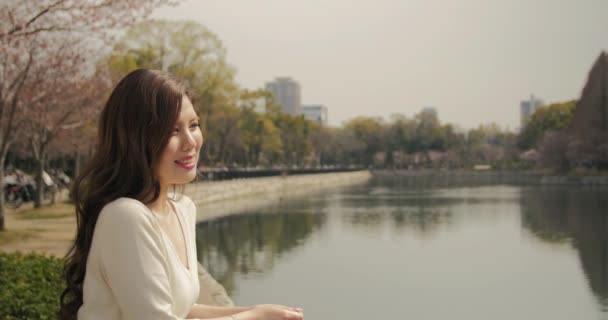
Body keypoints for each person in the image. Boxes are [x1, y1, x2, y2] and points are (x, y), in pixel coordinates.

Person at [59, 69, 304, 320]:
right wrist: (254, 317)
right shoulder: (125, 216)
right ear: (135, 140)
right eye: (172, 130)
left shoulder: (182, 209)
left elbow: (181, 310)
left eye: (194, 125)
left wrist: (258, 311)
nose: (190, 142)